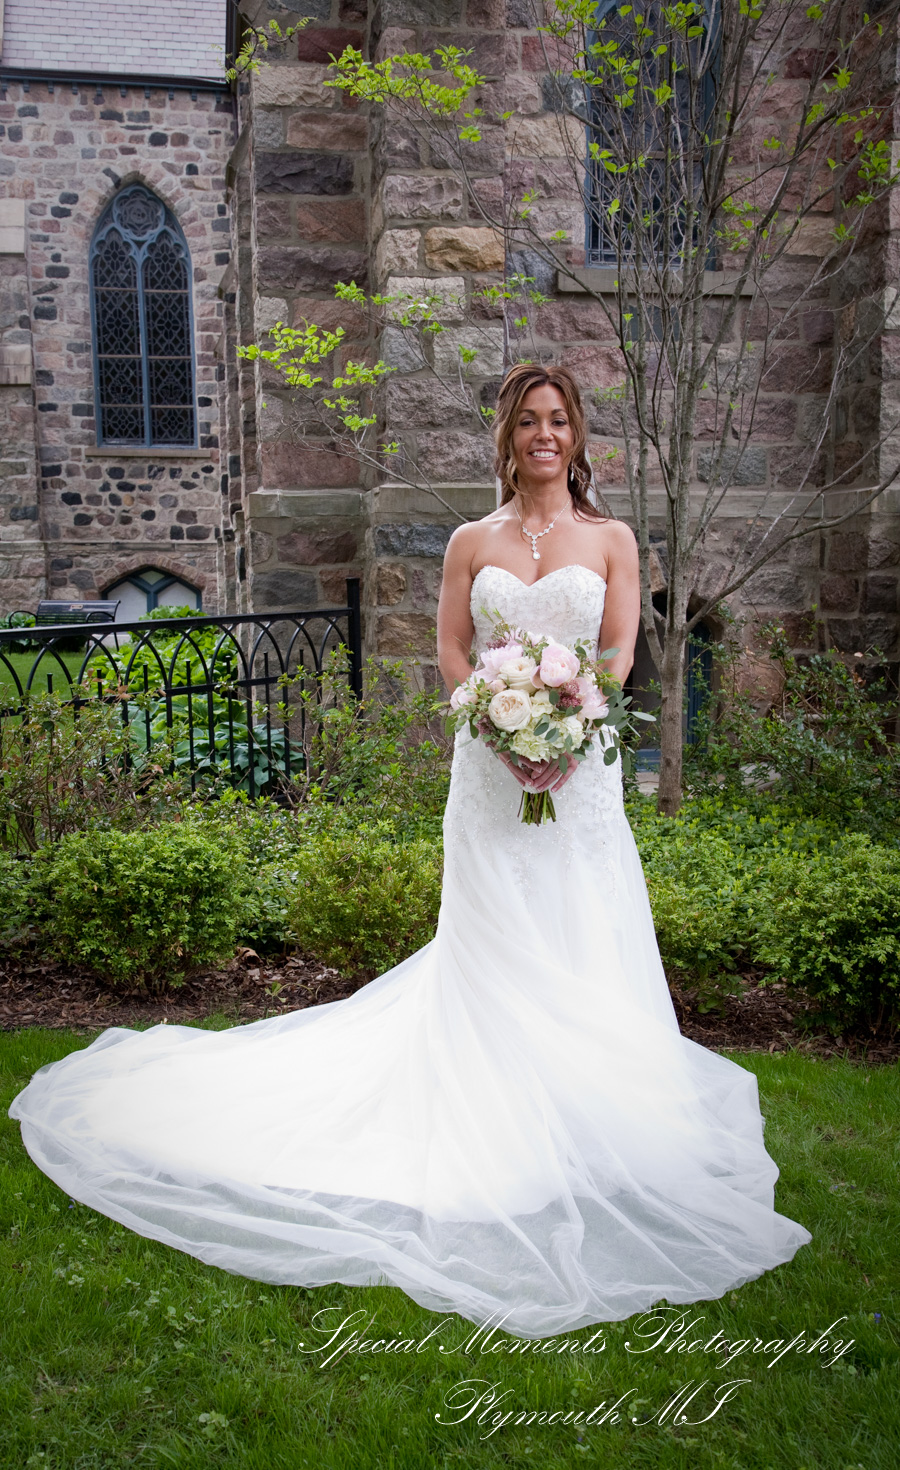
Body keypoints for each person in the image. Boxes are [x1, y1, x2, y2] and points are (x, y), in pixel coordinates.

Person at [8, 364, 811, 1340]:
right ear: (508, 437)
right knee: (496, 942)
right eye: (528, 422)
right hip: (485, 774)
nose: (544, 436)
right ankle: (495, 1127)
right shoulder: (473, 542)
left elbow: (616, 655)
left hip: (583, 775)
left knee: (578, 929)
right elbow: (448, 652)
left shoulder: (611, 540)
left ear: (579, 435)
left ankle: (589, 1122)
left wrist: (562, 736)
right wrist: (501, 730)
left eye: (559, 421)